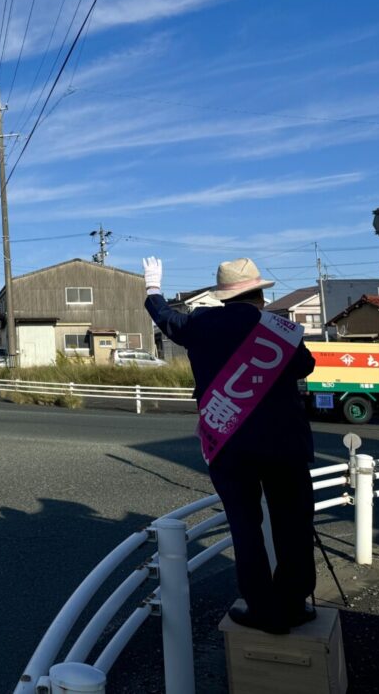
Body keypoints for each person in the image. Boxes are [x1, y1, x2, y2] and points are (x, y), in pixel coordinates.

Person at [142, 255, 318, 635]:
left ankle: (262, 608)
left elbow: (164, 317)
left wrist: (152, 286)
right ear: (259, 293)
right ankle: (293, 604)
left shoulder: (201, 324)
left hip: (229, 443)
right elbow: (306, 366)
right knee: (294, 524)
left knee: (245, 525)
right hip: (285, 442)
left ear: (223, 296)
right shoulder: (278, 327)